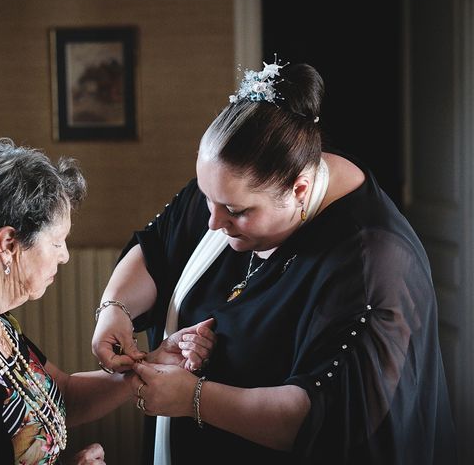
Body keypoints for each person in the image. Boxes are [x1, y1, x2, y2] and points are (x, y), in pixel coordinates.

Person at [91, 59, 457, 464]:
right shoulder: (232, 182)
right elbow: (158, 249)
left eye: (235, 210)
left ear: (299, 189)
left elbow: (322, 418)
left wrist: (194, 398)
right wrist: (115, 310)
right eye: (206, 198)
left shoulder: (371, 267)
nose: (213, 221)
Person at [0, 138, 216, 464]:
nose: (64, 256)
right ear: (7, 244)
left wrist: (147, 365)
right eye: (56, 241)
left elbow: (58, 395)